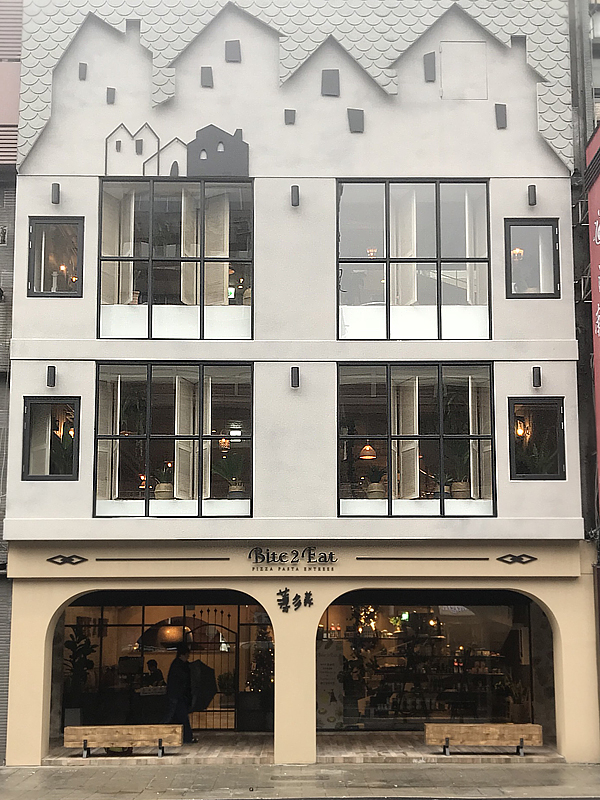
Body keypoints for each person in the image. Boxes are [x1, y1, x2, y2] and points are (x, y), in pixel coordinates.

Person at [165, 643, 196, 743]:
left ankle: (172, 737)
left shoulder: (177, 665)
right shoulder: (179, 666)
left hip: (176, 695)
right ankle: (186, 737)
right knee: (179, 717)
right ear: (182, 655)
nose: (188, 657)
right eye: (187, 655)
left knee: (174, 717)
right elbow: (183, 680)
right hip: (178, 696)